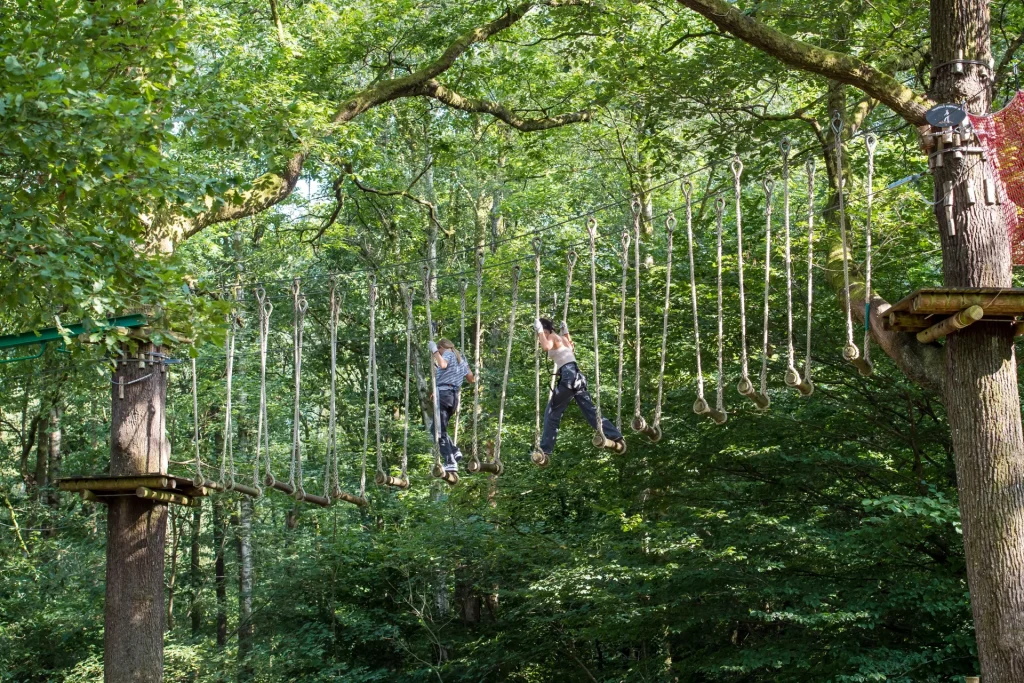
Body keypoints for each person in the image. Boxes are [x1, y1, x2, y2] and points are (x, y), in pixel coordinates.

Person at [534, 317, 624, 461]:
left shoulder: (550, 336)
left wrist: (539, 331)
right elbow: (571, 347)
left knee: (552, 412)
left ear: (545, 330)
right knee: (590, 412)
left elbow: (545, 347)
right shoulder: (561, 339)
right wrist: (566, 332)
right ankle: (615, 435)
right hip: (577, 376)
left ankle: (545, 450)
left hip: (569, 376)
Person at [428, 338, 474, 472]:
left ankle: (450, 460)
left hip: (444, 395)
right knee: (436, 428)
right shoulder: (460, 359)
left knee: (438, 431)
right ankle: (454, 451)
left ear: (442, 347)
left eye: (439, 350)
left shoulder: (447, 352)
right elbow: (471, 379)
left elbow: (442, 365)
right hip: (453, 398)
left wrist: (434, 350)